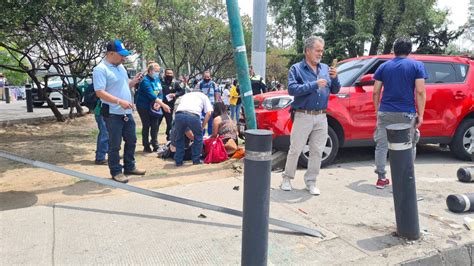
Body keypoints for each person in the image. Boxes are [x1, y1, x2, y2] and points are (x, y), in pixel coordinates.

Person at [280, 36, 341, 195]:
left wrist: (335, 78)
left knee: (317, 150)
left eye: (322, 50)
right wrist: (314, 84)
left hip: (321, 116)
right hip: (303, 115)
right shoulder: (296, 69)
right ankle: (287, 178)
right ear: (308, 51)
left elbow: (335, 90)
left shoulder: (326, 68)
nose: (320, 53)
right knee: (296, 148)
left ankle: (311, 182)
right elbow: (292, 89)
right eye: (317, 50)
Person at [372, 37, 427, 189]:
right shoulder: (417, 65)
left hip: (385, 111)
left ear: (394, 50)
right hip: (406, 112)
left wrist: (377, 110)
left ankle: (381, 178)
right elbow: (420, 91)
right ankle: (405, 178)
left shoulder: (384, 67)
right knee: (409, 145)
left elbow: (376, 91)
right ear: (410, 50)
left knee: (382, 145)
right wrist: (420, 115)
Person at [93, 39, 147, 183]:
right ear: (111, 53)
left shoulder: (120, 67)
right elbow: (99, 92)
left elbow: (124, 85)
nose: (124, 57)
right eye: (121, 54)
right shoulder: (100, 69)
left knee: (132, 140)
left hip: (126, 112)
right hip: (112, 113)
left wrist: (133, 81)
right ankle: (116, 171)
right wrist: (119, 101)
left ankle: (129, 166)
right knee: (114, 144)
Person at [136, 62, 171, 153]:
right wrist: (162, 104)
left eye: (159, 71)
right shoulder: (145, 81)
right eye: (156, 71)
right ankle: (146, 145)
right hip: (144, 106)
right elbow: (151, 94)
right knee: (146, 125)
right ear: (150, 71)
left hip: (156, 105)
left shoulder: (157, 79)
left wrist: (159, 103)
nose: (157, 73)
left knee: (155, 125)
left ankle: (155, 144)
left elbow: (160, 92)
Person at [174, 89, 213, 166]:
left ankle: (178, 161)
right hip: (193, 115)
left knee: (179, 138)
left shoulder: (186, 95)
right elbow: (208, 113)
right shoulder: (204, 96)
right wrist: (202, 126)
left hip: (178, 114)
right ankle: (196, 160)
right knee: (198, 138)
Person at [159, 68, 185, 141]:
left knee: (169, 122)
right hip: (160, 104)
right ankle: (154, 139)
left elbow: (182, 91)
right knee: (157, 123)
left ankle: (169, 137)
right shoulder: (160, 82)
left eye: (170, 73)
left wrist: (175, 94)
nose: (169, 75)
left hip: (170, 105)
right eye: (167, 73)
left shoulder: (176, 83)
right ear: (165, 74)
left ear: (173, 74)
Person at [195, 70, 217, 135]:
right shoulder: (199, 84)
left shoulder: (213, 84)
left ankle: (210, 136)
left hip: (211, 106)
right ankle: (201, 136)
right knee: (202, 122)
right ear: (203, 77)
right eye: (205, 77)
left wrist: (216, 103)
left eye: (208, 77)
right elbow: (196, 94)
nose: (207, 78)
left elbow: (216, 94)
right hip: (202, 107)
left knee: (211, 122)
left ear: (210, 77)